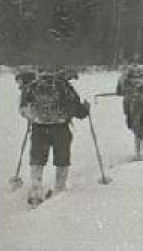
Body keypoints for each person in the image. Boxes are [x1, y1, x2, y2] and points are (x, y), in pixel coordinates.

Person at [16, 68, 90, 206]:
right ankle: (59, 189)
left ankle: (36, 190)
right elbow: (76, 109)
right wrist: (85, 110)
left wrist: (33, 117)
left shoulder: (32, 86)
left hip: (39, 127)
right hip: (60, 128)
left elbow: (22, 108)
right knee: (62, 158)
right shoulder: (63, 86)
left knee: (37, 158)